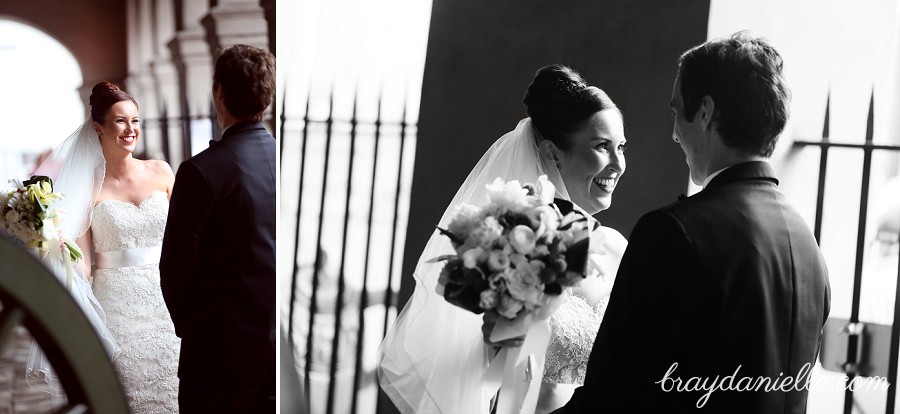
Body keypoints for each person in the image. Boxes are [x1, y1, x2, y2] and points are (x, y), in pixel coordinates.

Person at [555, 32, 831, 413]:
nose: (673, 133)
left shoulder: (673, 233)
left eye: (675, 112)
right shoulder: (808, 247)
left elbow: (612, 395)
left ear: (704, 112)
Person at [378, 64, 628, 414]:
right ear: (553, 152)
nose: (618, 164)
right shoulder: (513, 243)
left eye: (622, 147)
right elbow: (494, 375)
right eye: (603, 146)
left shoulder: (618, 249)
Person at [32, 81, 180, 412]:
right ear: (98, 127)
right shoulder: (86, 192)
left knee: (172, 390)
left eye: (136, 120)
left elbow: (184, 238)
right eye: (120, 120)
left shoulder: (162, 172)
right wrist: (56, 246)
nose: (131, 129)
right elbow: (84, 264)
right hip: (117, 306)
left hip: (167, 302)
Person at [160, 44, 276, 413]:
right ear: (267, 97)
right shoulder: (287, 160)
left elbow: (175, 269)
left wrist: (194, 330)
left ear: (219, 93)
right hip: (276, 351)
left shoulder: (200, 172)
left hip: (218, 355)